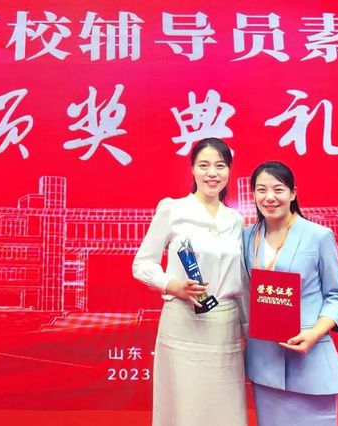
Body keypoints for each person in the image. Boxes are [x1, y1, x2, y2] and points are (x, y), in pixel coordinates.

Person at [132, 138, 247, 426]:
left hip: (225, 326)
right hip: (183, 322)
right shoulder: (173, 209)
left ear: (229, 170)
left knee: (224, 407)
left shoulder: (236, 220)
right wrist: (173, 285)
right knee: (184, 407)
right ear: (192, 169)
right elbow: (142, 264)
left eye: (220, 166)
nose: (212, 173)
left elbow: (242, 279)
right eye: (204, 165)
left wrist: (250, 328)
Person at [242, 161, 338, 426]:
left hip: (309, 361)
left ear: (293, 193)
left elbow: (336, 296)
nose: (269, 197)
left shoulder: (318, 236)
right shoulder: (246, 237)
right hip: (265, 363)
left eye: (278, 189)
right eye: (261, 190)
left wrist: (314, 333)